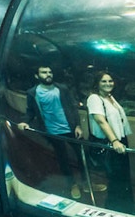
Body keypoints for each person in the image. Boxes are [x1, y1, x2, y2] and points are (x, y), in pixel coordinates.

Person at [16, 65, 90, 199]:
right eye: (44, 72)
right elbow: (30, 111)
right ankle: (72, 184)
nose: (48, 74)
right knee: (63, 159)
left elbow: (73, 108)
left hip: (71, 129)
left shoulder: (62, 89)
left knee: (82, 155)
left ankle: (86, 182)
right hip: (52, 131)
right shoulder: (32, 93)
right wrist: (25, 121)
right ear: (36, 76)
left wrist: (78, 125)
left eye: (50, 72)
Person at [85, 72, 135, 215]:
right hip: (110, 142)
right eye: (104, 81)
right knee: (116, 178)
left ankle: (127, 209)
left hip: (119, 140)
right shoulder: (94, 98)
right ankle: (115, 211)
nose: (108, 83)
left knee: (123, 177)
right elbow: (101, 120)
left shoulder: (109, 97)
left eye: (110, 80)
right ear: (97, 83)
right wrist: (114, 140)